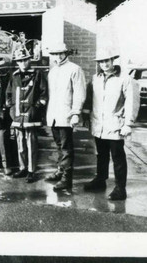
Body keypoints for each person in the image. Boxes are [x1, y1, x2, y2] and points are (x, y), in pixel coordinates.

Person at [82, 49, 140, 201]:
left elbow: (131, 103)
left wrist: (128, 123)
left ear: (113, 61)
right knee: (101, 155)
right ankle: (100, 180)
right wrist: (86, 116)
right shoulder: (95, 79)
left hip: (115, 124)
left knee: (118, 157)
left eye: (107, 61)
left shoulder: (124, 79)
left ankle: (120, 188)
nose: (104, 64)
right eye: (101, 62)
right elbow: (89, 99)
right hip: (98, 125)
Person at [45, 42, 86, 191]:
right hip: (54, 115)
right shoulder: (53, 71)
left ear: (66, 53)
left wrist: (76, 112)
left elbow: (79, 92)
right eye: (55, 54)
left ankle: (66, 179)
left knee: (67, 148)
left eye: (61, 53)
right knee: (59, 146)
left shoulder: (75, 69)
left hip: (66, 115)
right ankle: (60, 171)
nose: (58, 56)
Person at [6, 48, 48, 183]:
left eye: (25, 60)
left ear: (29, 60)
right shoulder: (14, 75)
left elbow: (43, 93)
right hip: (18, 116)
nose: (23, 63)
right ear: (17, 63)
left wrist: (35, 108)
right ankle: (23, 168)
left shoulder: (37, 74)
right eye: (20, 61)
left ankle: (31, 170)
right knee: (20, 144)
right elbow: (9, 94)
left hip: (31, 117)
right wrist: (12, 109)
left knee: (31, 144)